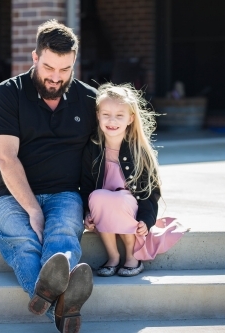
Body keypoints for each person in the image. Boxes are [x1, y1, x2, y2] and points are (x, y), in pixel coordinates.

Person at [0, 20, 95, 333]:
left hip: (64, 193)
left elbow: (98, 159)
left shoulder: (88, 100)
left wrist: (94, 202)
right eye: (49, 67)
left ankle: (48, 299)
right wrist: (33, 209)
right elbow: (6, 159)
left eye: (65, 69)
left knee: (61, 239)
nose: (56, 77)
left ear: (74, 63)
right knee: (24, 242)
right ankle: (63, 310)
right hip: (10, 195)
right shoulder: (8, 94)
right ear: (35, 57)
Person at [80, 83, 188, 277]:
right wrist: (86, 211)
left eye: (119, 115)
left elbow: (150, 191)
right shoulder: (93, 148)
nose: (112, 120)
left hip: (130, 207)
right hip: (102, 207)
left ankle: (132, 257)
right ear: (98, 115)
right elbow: (86, 184)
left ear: (130, 119)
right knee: (98, 196)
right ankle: (113, 257)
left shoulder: (139, 151)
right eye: (106, 114)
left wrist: (147, 219)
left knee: (119, 199)